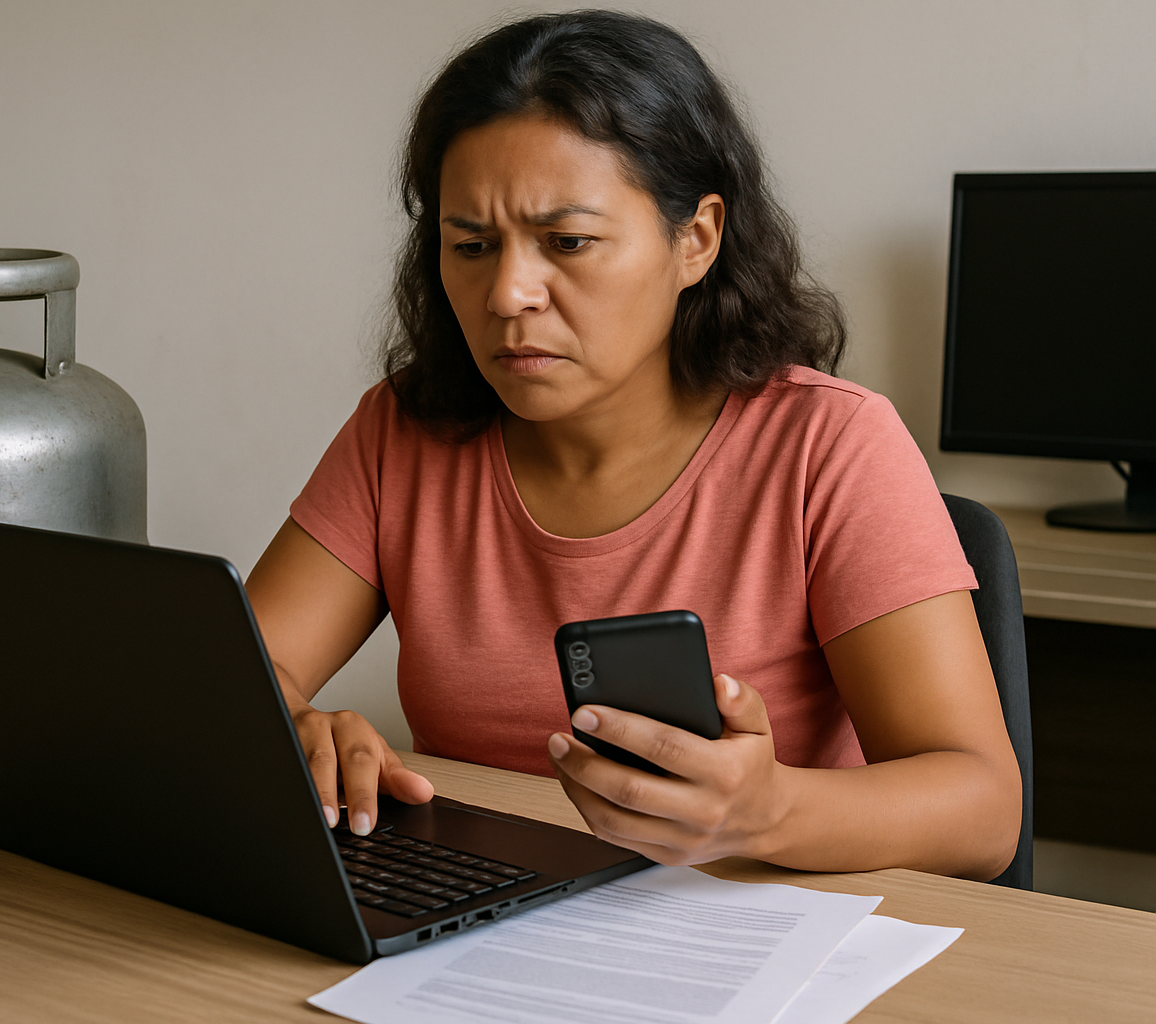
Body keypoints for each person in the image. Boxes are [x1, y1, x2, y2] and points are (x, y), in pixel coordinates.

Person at [244, 10, 1020, 880]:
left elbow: (984, 812)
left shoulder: (830, 444)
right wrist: (295, 726)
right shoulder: (402, 430)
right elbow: (232, 675)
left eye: (567, 242)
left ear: (696, 240)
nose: (507, 293)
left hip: (742, 929)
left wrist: (768, 812)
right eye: (471, 245)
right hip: (472, 913)